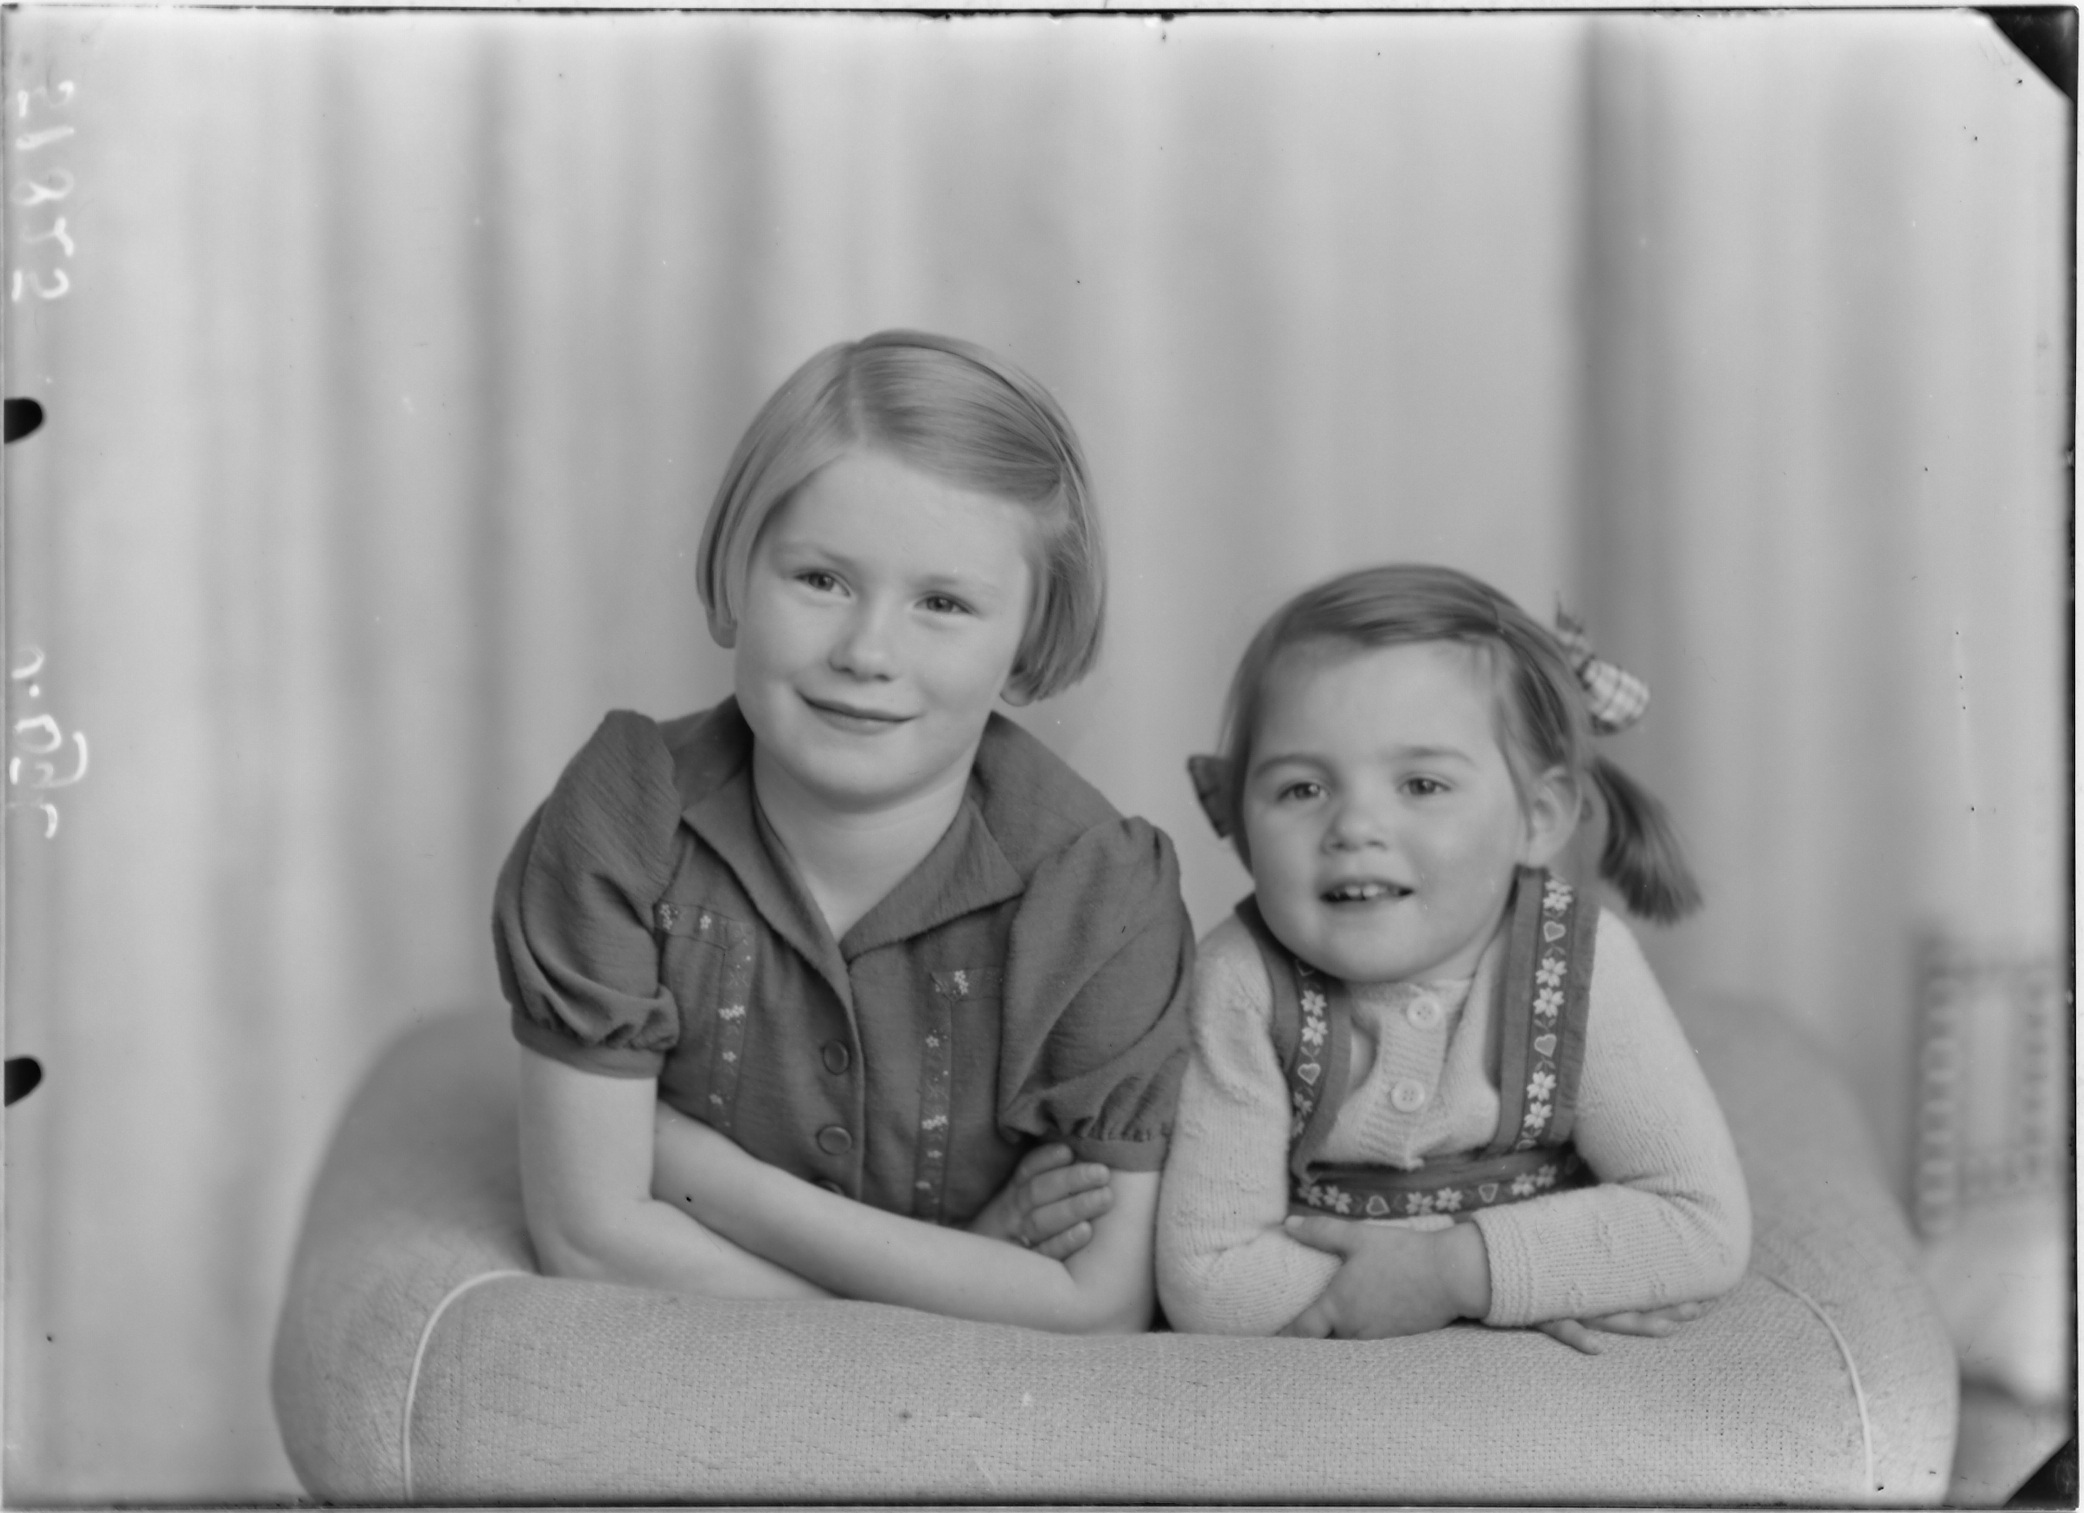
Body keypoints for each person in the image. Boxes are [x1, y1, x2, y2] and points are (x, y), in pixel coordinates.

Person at [493, 331, 1190, 1334]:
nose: (866, 651)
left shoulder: (1100, 897)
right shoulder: (623, 818)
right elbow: (589, 1240)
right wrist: (972, 1268)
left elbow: (1099, 1307)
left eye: (942, 603)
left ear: (1027, 645)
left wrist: (698, 1172)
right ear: (736, 575)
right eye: (820, 579)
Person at [1156, 564, 1750, 1349]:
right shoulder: (1240, 980)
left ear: (1537, 818)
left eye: (1422, 784)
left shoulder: (1583, 961)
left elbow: (1701, 1221)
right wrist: (1500, 1276)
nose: (1354, 826)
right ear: (1240, 820)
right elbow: (1208, 1280)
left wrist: (1456, 1272)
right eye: (1302, 789)